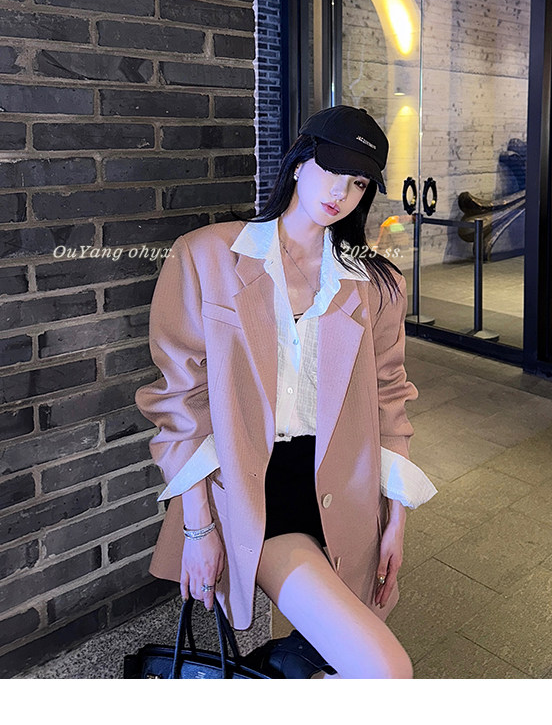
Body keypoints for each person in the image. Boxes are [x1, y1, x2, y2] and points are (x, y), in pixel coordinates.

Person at [135, 105, 436, 679]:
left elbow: (390, 399)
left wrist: (395, 519)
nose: (340, 193)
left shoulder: (374, 282)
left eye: (358, 182)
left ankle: (289, 665)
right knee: (386, 671)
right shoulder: (206, 255)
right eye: (332, 170)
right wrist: (198, 525)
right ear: (299, 163)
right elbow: (179, 400)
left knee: (337, 661)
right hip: (253, 487)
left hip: (345, 487)